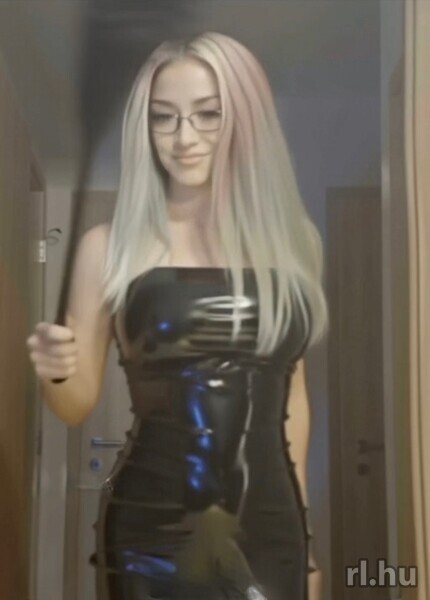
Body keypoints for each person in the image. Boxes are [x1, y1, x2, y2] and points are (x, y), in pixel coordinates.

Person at [27, 31, 328, 600]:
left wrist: (306, 542)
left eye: (208, 114)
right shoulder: (109, 247)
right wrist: (54, 370)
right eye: (163, 118)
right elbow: (75, 403)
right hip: (149, 529)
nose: (184, 137)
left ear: (245, 119)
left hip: (271, 526)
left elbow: (294, 404)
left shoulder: (294, 245)